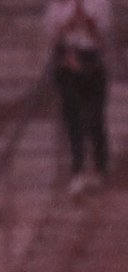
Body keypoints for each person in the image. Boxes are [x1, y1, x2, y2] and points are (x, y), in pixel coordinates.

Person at [46, 0, 111, 197]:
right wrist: (70, 22)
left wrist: (87, 20)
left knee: (94, 117)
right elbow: (53, 37)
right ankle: (78, 170)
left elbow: (103, 39)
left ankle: (100, 166)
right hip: (67, 61)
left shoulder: (100, 3)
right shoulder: (57, 5)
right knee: (73, 118)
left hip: (92, 61)